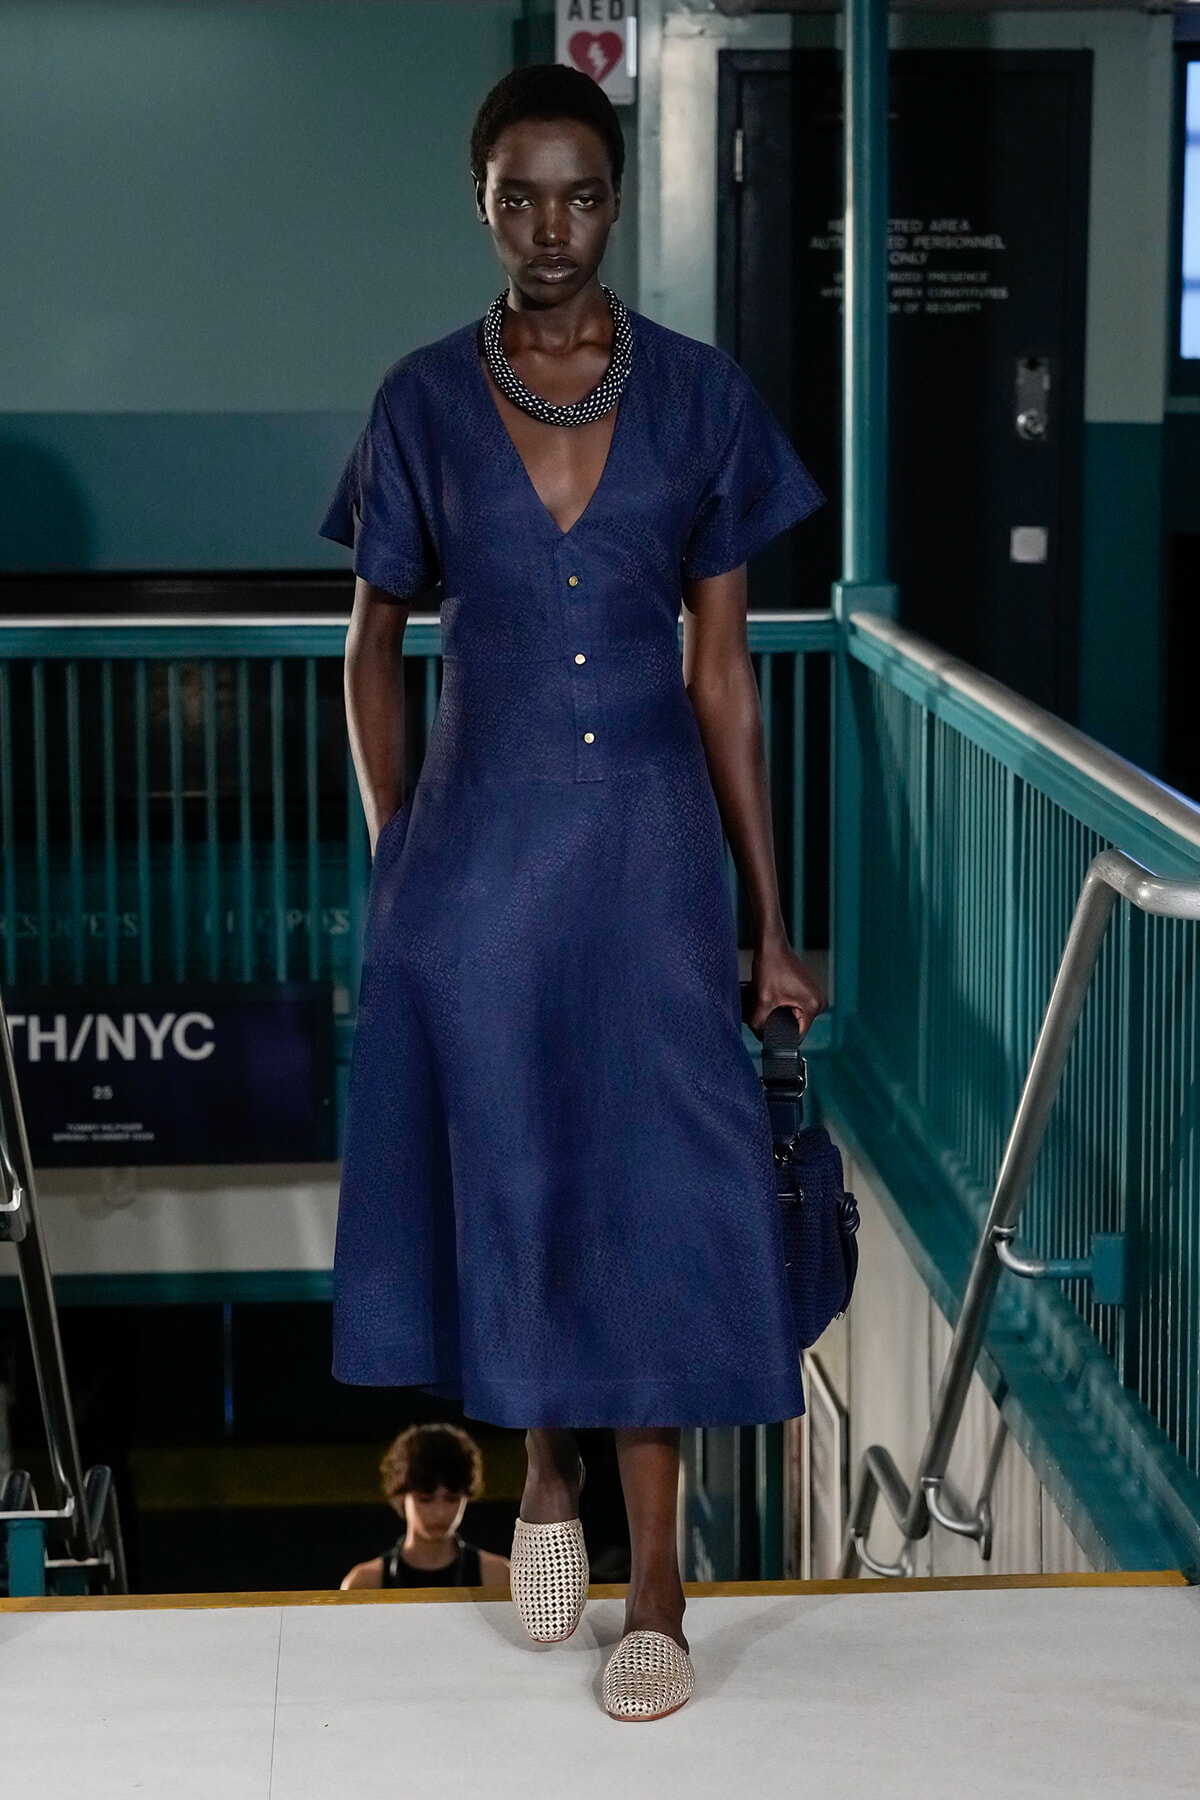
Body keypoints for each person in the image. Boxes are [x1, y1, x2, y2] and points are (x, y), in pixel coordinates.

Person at [320, 63, 828, 1719]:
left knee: (662, 1192)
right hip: (484, 859)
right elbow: (372, 655)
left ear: (618, 201)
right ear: (481, 203)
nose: (554, 228)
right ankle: (546, 1469)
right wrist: (406, 859)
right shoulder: (417, 400)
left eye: (583, 195)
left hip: (655, 855)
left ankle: (661, 1577)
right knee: (525, 1163)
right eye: (521, 196)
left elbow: (728, 677)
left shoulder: (701, 398)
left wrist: (767, 915)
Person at [340, 1422, 510, 1590]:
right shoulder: (365, 1582)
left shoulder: (496, 1575)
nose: (439, 1512)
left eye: (452, 1499)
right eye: (425, 1499)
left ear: (466, 1496)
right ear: (401, 1496)